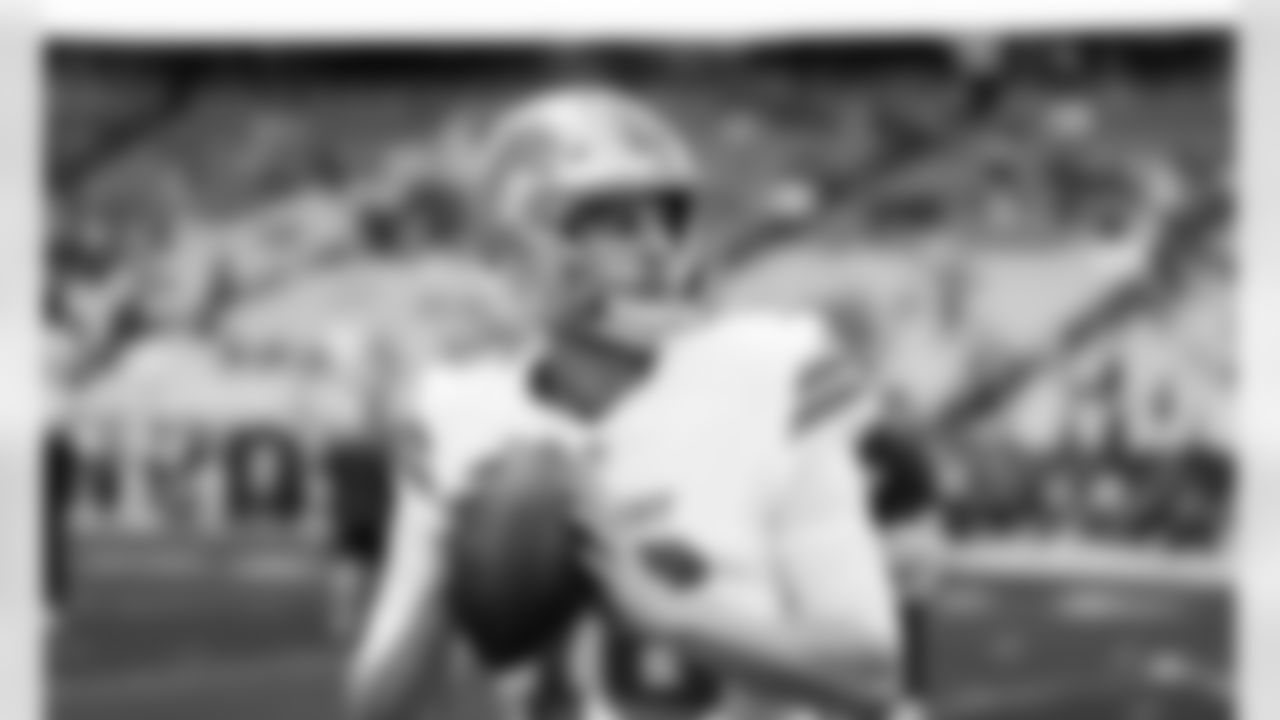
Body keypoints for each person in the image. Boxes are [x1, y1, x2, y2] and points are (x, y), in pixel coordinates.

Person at [345, 84, 923, 720]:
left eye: (666, 220)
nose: (657, 250)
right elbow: (375, 705)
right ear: (515, 254)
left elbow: (870, 673)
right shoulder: (456, 416)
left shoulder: (772, 376)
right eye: (614, 225)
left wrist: (669, 613)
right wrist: (450, 578)